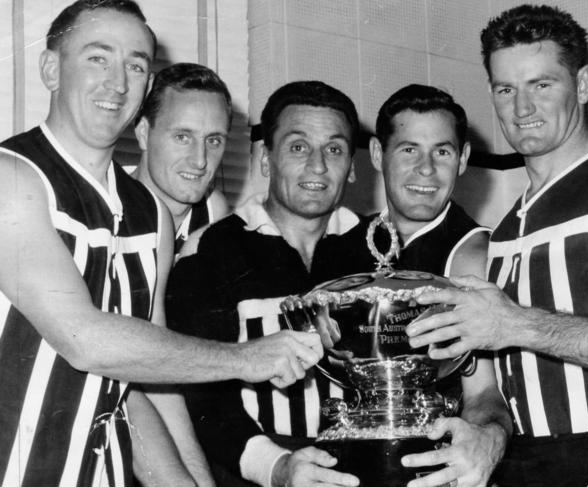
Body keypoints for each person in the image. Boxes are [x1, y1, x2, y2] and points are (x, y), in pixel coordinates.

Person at [0, 2, 322, 486]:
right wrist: (247, 357)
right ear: (50, 69)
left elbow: (148, 382)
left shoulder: (150, 216)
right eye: (97, 58)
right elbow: (85, 341)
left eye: (135, 65)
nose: (118, 83)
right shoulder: (14, 178)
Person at [406, 5, 588, 486]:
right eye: (506, 89)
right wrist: (483, 436)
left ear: (582, 84)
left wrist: (516, 324)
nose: (522, 109)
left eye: (541, 85)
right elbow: (490, 393)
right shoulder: (500, 233)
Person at [166, 81, 363, 487]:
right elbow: (201, 395)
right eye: (297, 147)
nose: (318, 166)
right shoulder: (211, 250)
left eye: (335, 149)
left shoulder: (380, 250)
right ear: (265, 159)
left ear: (353, 165)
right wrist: (276, 468)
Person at [337, 84, 511, 487]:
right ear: (379, 154)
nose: (427, 169)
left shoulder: (472, 256)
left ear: (463, 158)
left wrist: (476, 444)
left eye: (443, 152)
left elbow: (485, 393)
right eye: (409, 149)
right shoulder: (346, 248)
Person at [132, 62, 230, 257]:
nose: (200, 160)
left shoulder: (213, 211)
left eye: (213, 140)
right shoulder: (104, 211)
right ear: (144, 134)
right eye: (182, 137)